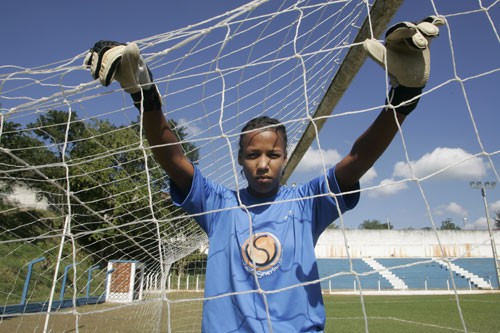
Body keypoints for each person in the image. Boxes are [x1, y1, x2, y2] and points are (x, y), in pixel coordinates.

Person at [85, 15, 444, 333]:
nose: (262, 163)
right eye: (253, 154)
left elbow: (357, 157)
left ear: (285, 159)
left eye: (273, 155)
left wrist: (404, 98)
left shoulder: (307, 204)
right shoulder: (219, 204)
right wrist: (145, 93)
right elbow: (170, 155)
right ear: (239, 159)